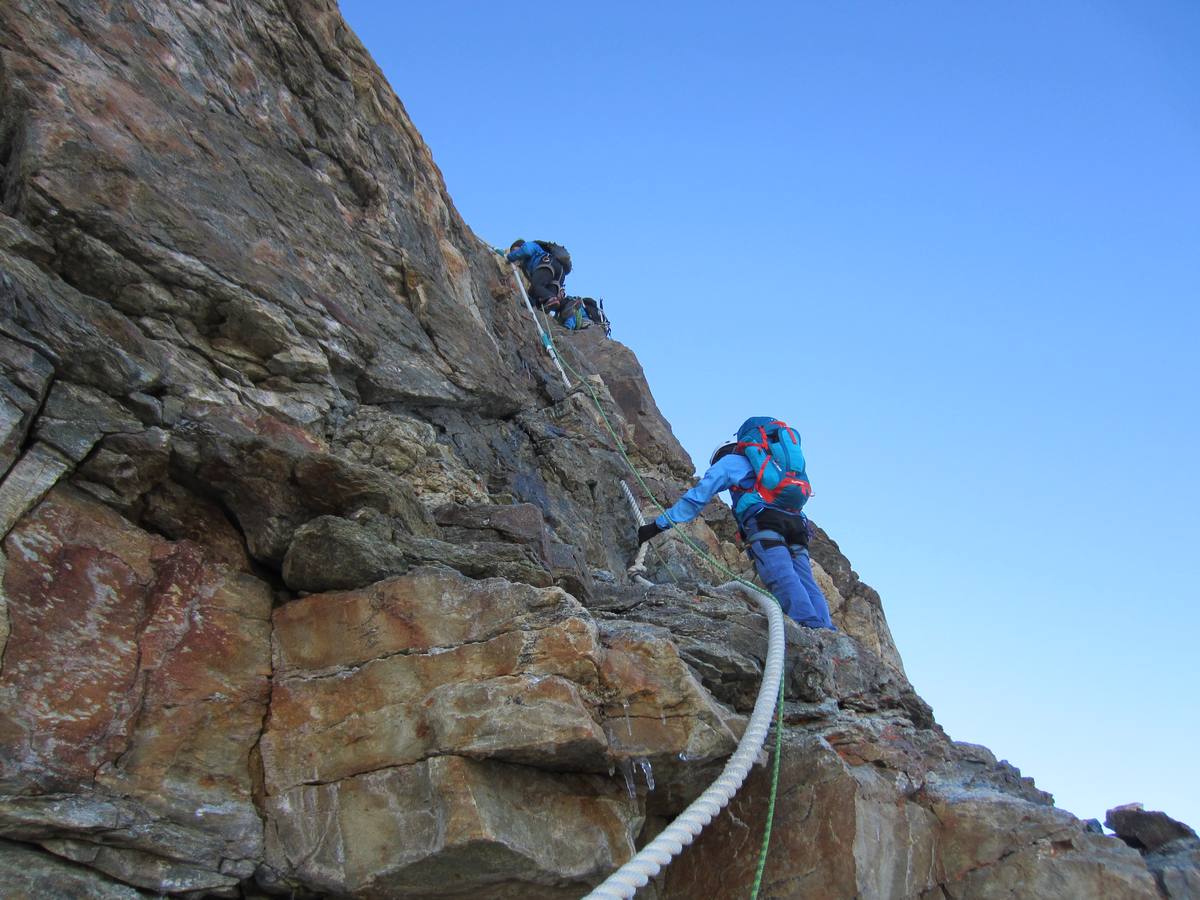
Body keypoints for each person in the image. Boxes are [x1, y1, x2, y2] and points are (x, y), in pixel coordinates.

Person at [636, 417, 836, 630]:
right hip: (797, 524)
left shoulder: (731, 463)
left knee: (780, 572)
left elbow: (697, 497)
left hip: (765, 521)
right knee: (805, 578)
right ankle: (827, 630)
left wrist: (657, 525)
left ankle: (809, 626)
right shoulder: (774, 464)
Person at [504, 239, 589, 330]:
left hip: (548, 264)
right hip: (559, 274)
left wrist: (509, 257)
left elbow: (526, 251)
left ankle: (549, 299)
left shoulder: (529, 245)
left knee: (537, 287)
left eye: (515, 250)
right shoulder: (526, 266)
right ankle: (547, 302)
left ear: (520, 246)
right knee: (540, 298)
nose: (516, 254)